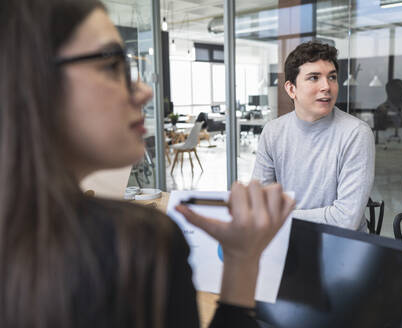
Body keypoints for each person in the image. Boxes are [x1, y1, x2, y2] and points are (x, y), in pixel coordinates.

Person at [0, 1, 295, 327]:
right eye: (111, 65)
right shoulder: (133, 247)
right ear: (31, 78)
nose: (143, 90)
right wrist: (242, 260)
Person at [252, 41, 374, 231]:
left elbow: (346, 219)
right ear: (291, 89)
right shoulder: (273, 132)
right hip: (287, 239)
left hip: (341, 245)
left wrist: (282, 217)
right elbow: (260, 202)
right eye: (314, 78)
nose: (327, 86)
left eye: (332, 77)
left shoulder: (356, 133)